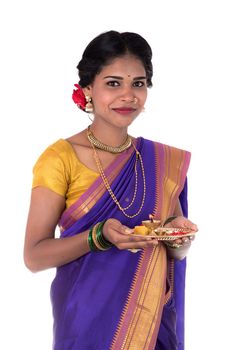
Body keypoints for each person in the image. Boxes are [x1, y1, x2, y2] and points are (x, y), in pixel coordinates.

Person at [24, 30, 198, 350]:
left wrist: (181, 239)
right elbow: (34, 256)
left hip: (150, 323)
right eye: (113, 83)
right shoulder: (60, 158)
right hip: (86, 323)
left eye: (139, 83)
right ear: (88, 89)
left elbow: (174, 248)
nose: (128, 95)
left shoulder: (161, 161)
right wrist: (98, 236)